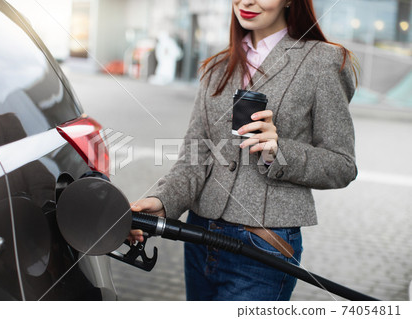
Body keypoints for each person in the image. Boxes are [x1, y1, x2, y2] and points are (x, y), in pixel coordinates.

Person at [130, 0, 358, 301]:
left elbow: (342, 164)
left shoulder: (323, 61)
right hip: (200, 235)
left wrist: (278, 150)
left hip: (263, 244)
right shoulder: (216, 68)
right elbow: (196, 157)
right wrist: (163, 201)